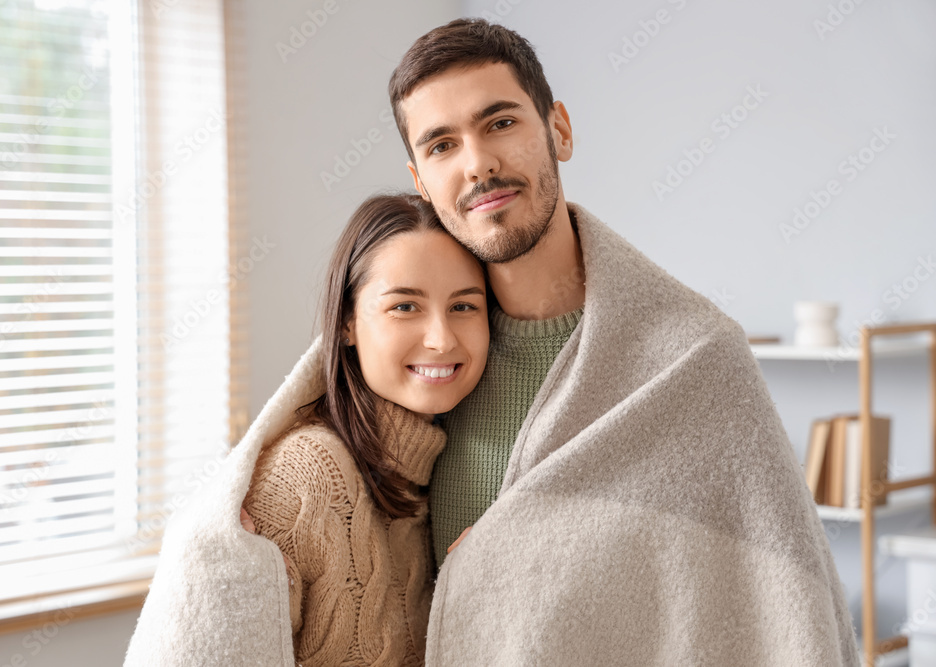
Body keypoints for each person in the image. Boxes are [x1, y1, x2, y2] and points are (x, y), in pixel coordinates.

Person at [382, 17, 860, 666]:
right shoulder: (423, 362)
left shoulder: (697, 358)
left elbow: (783, 608)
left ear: (560, 130)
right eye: (441, 145)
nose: (478, 163)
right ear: (420, 181)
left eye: (500, 123)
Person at [236, 192, 488, 666]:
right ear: (348, 322)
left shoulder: (453, 475)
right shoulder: (305, 476)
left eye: (464, 307)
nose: (441, 339)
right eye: (405, 307)